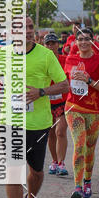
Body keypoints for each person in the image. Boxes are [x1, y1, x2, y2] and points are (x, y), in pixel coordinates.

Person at [0, 16, 69, 198]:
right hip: (10, 121)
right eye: (22, 28)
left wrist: (41, 92)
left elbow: (64, 84)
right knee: (13, 172)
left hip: (39, 123)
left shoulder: (46, 55)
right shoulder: (3, 53)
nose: (28, 31)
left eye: (31, 27)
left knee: (37, 173)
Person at [64, 28, 99, 198]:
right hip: (73, 107)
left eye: (87, 39)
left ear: (93, 41)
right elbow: (63, 82)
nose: (83, 42)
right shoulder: (70, 59)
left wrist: (89, 81)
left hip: (94, 110)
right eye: (80, 39)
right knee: (80, 143)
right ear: (76, 42)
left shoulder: (98, 60)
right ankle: (77, 186)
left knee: (90, 148)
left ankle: (87, 181)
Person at [43, 31, 69, 176]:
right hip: (46, 101)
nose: (51, 46)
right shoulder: (41, 61)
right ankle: (54, 161)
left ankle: (61, 162)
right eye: (48, 43)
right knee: (51, 133)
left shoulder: (66, 59)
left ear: (58, 45)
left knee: (60, 131)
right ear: (44, 45)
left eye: (53, 43)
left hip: (62, 101)